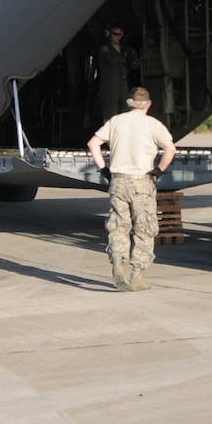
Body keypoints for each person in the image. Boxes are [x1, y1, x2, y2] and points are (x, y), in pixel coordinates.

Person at [87, 86, 176, 292]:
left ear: (129, 103)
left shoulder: (116, 121)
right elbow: (170, 149)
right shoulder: (153, 124)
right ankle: (136, 275)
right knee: (144, 228)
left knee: (118, 226)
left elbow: (93, 143)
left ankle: (118, 265)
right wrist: (158, 171)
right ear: (149, 105)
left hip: (118, 181)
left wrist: (104, 170)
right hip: (142, 181)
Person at [91, 25, 135, 124]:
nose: (118, 36)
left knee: (125, 111)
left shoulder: (124, 48)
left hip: (122, 86)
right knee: (110, 114)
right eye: (116, 34)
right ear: (109, 34)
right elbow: (112, 60)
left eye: (120, 34)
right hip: (110, 87)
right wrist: (124, 56)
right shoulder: (105, 49)